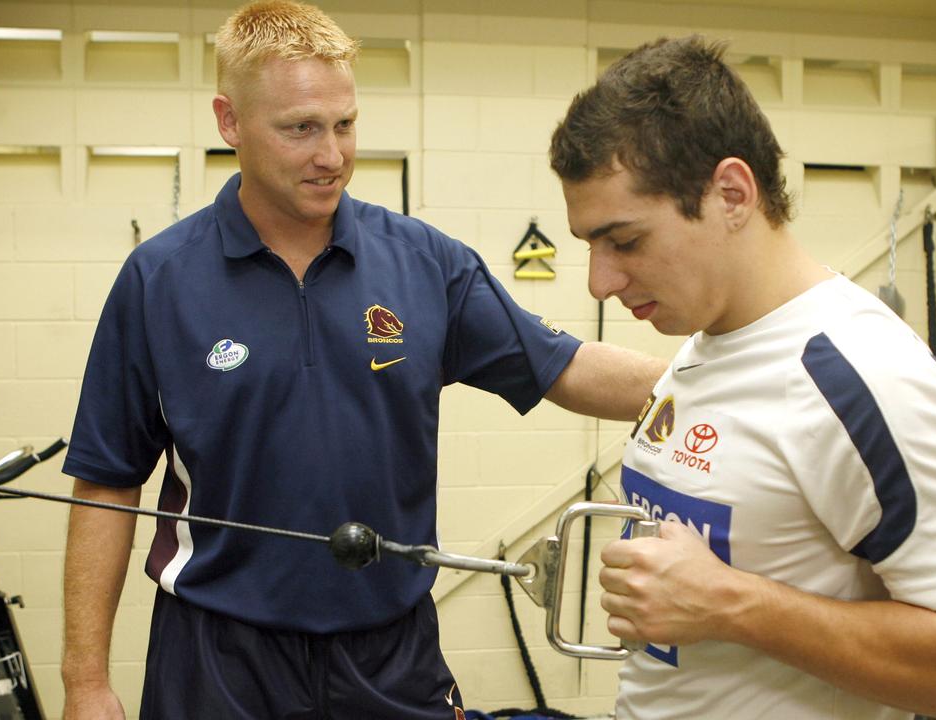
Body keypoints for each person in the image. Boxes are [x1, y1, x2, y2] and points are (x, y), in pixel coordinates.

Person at [59, 2, 664, 719]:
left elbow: (566, 368)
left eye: (345, 125)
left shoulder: (425, 263)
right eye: (300, 129)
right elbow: (106, 482)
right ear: (229, 122)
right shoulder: (159, 280)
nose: (332, 154)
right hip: (219, 658)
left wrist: (722, 377)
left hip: (390, 656)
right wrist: (85, 683)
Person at [550, 36, 936, 720]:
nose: (600, 282)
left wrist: (730, 603)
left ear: (732, 193)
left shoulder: (864, 377)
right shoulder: (710, 337)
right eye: (592, 246)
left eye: (626, 241)